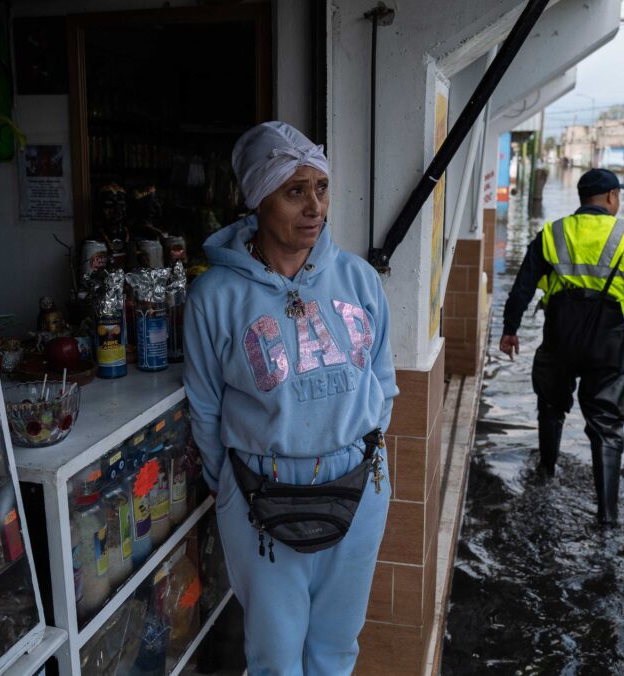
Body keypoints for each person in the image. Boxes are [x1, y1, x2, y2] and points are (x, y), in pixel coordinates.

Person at [184, 121, 398, 675]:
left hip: (359, 483)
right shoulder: (215, 297)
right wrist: (227, 483)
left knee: (335, 650)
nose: (314, 207)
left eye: (321, 188)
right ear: (258, 199)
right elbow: (205, 407)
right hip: (258, 495)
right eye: (294, 191)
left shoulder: (358, 281)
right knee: (275, 659)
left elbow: (384, 380)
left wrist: (359, 446)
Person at [498, 168, 624, 527]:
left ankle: (546, 475)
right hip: (609, 342)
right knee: (607, 424)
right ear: (610, 197)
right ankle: (607, 516)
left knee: (551, 405)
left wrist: (510, 329)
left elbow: (523, 286)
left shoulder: (552, 233)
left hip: (560, 335)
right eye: (617, 195)